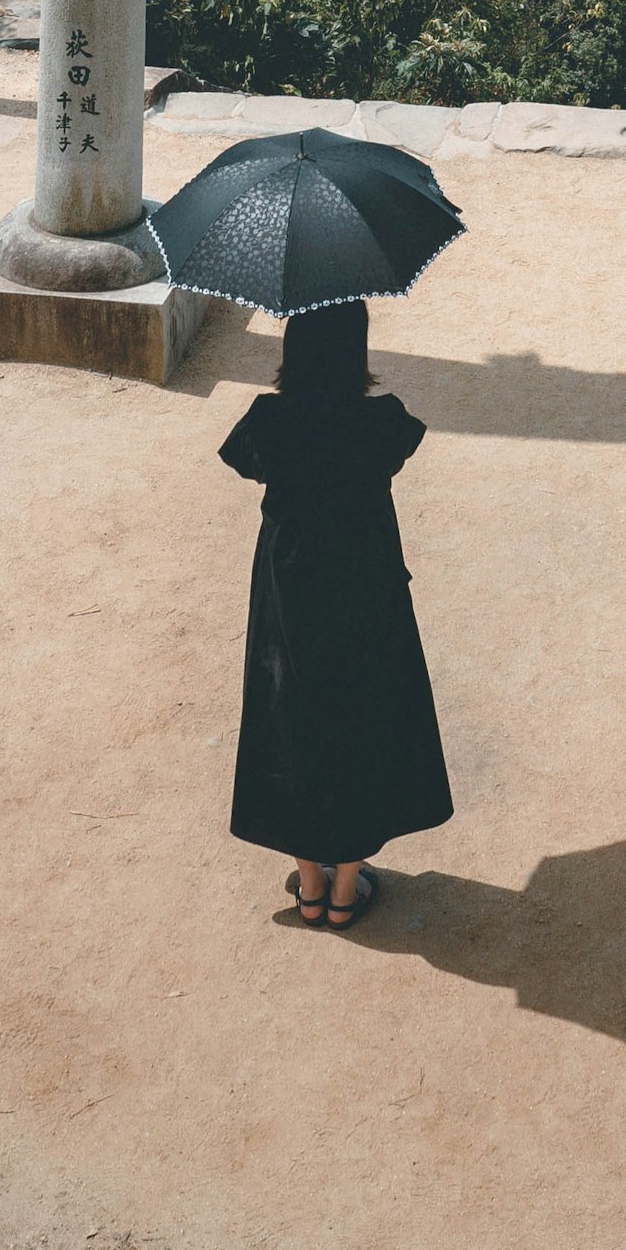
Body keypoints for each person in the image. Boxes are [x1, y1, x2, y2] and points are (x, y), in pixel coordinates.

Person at [219, 298, 452, 928]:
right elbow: (401, 445)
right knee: (361, 713)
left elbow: (241, 458)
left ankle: (312, 882)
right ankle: (347, 888)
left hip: (291, 585)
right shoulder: (382, 423)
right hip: (366, 583)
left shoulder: (271, 420)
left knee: (290, 714)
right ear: (359, 354)